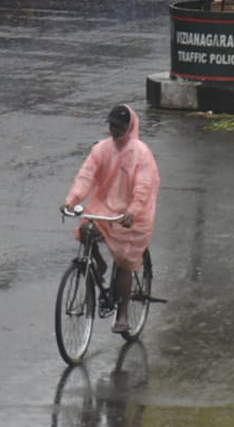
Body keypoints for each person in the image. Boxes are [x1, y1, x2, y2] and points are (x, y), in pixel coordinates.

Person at [62, 104, 161, 334]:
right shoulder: (102, 150)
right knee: (86, 229)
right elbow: (86, 175)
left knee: (125, 260)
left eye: (119, 127)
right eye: (112, 126)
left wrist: (133, 211)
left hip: (129, 214)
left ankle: (123, 312)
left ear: (129, 127)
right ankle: (99, 262)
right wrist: (72, 199)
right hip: (105, 206)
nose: (115, 131)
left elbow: (143, 187)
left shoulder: (140, 153)